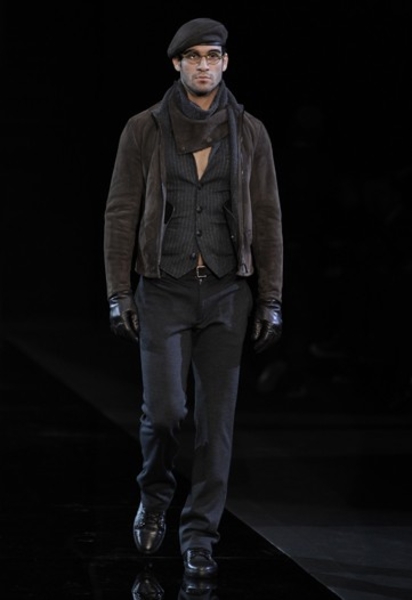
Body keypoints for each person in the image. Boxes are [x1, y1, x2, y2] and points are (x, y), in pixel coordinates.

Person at [103, 17, 283, 580]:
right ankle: (154, 495)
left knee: (215, 426)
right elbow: (121, 213)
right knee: (164, 415)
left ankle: (200, 534)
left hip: (228, 293)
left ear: (225, 63)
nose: (204, 65)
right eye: (194, 56)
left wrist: (271, 298)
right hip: (164, 290)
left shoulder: (249, 131)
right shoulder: (144, 129)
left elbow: (269, 218)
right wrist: (117, 292)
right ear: (177, 64)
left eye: (213, 55)